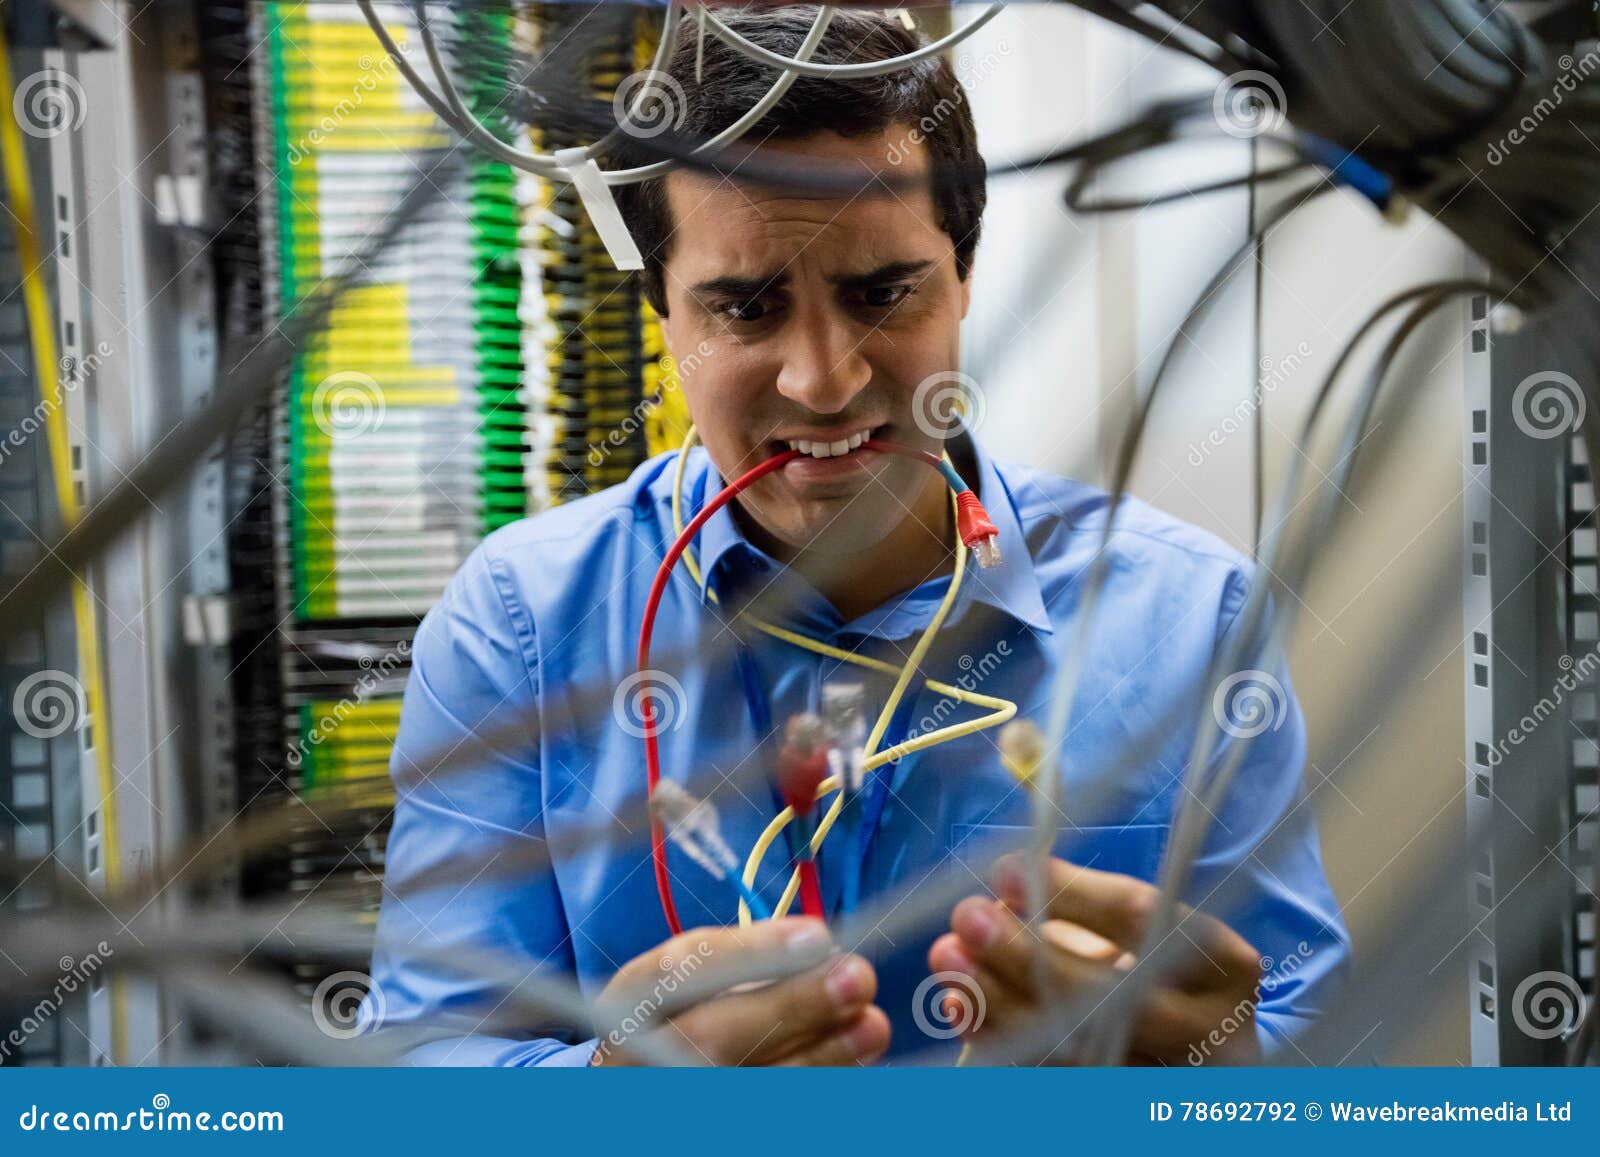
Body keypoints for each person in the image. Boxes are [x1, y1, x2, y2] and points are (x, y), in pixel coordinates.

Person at [361, 6, 1348, 1066]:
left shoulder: (1189, 620)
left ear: (964, 273)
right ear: (662, 311)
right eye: (743, 308)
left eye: (882, 292)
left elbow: (1322, 1045)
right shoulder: (518, 629)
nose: (822, 382)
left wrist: (1213, 1078)